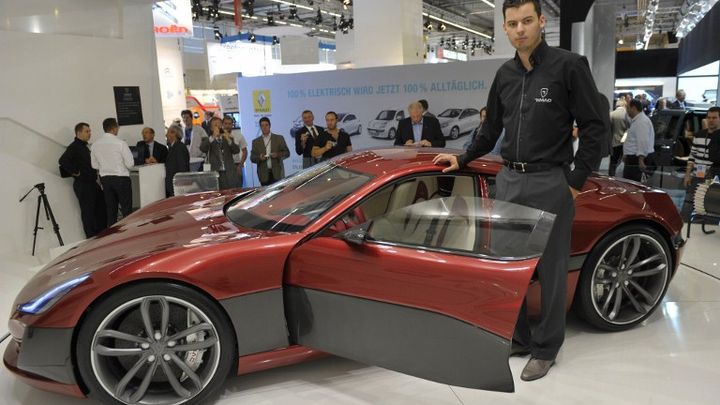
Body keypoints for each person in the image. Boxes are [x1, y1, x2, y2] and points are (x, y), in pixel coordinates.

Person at [433, 0, 603, 381]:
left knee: (552, 269)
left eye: (527, 20)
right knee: (512, 268)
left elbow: (596, 128)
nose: (520, 29)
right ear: (506, 29)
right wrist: (463, 158)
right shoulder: (505, 75)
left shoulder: (569, 67)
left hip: (551, 181)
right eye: (513, 23)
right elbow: (491, 128)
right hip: (509, 179)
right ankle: (521, 338)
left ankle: (547, 348)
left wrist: (574, 182)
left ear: (542, 22)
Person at [58, 122, 106, 237]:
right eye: (87, 131)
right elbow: (63, 161)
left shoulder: (84, 147)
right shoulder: (74, 147)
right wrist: (76, 172)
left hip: (92, 184)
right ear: (79, 133)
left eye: (90, 131)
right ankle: (91, 238)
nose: (90, 133)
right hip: (83, 185)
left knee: (101, 207)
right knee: (88, 212)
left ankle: (101, 234)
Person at [91, 118, 135, 227]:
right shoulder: (120, 143)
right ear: (114, 128)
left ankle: (112, 237)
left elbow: (94, 165)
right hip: (121, 179)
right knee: (126, 210)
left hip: (105, 180)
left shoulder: (95, 145)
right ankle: (128, 235)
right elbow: (130, 164)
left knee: (111, 211)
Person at [200, 117, 242, 190]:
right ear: (211, 128)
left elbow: (236, 151)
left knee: (231, 193)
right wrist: (213, 137)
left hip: (229, 172)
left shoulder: (228, 138)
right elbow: (203, 148)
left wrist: (229, 140)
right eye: (215, 125)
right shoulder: (208, 139)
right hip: (215, 172)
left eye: (220, 124)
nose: (218, 127)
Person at [684, 106, 720, 189]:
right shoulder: (699, 134)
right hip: (697, 176)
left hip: (713, 179)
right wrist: (687, 175)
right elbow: (692, 156)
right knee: (693, 201)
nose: (711, 120)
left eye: (714, 118)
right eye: (709, 117)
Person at [622, 99, 655, 182]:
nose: (626, 111)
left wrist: (641, 159)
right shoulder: (638, 120)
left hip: (636, 159)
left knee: (633, 185)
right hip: (633, 158)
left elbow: (643, 141)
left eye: (627, 108)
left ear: (633, 108)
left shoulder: (641, 121)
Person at [250, 117, 290, 186]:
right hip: (263, 175)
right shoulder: (255, 142)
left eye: (266, 125)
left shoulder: (279, 138)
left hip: (277, 173)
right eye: (262, 125)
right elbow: (252, 158)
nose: (264, 127)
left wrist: (277, 154)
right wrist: (259, 158)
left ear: (270, 125)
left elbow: (287, 153)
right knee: (266, 196)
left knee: (279, 195)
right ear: (260, 127)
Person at [164, 125, 190, 197]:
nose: (166, 135)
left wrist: (180, 184)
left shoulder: (179, 147)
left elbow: (182, 167)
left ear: (174, 134)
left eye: (168, 132)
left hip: (178, 185)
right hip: (174, 184)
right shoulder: (172, 147)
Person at [224, 116, 248, 187]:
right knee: (224, 189)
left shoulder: (239, 135)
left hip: (236, 165)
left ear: (232, 125)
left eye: (229, 124)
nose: (227, 126)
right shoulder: (218, 136)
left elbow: (245, 151)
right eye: (226, 123)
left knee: (238, 188)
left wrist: (240, 165)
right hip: (223, 166)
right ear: (222, 124)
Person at [608, 99, 630, 177]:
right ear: (624, 105)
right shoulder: (627, 114)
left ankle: (611, 177)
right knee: (624, 162)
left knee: (613, 162)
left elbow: (608, 129)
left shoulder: (611, 114)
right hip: (625, 143)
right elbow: (629, 129)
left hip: (614, 142)